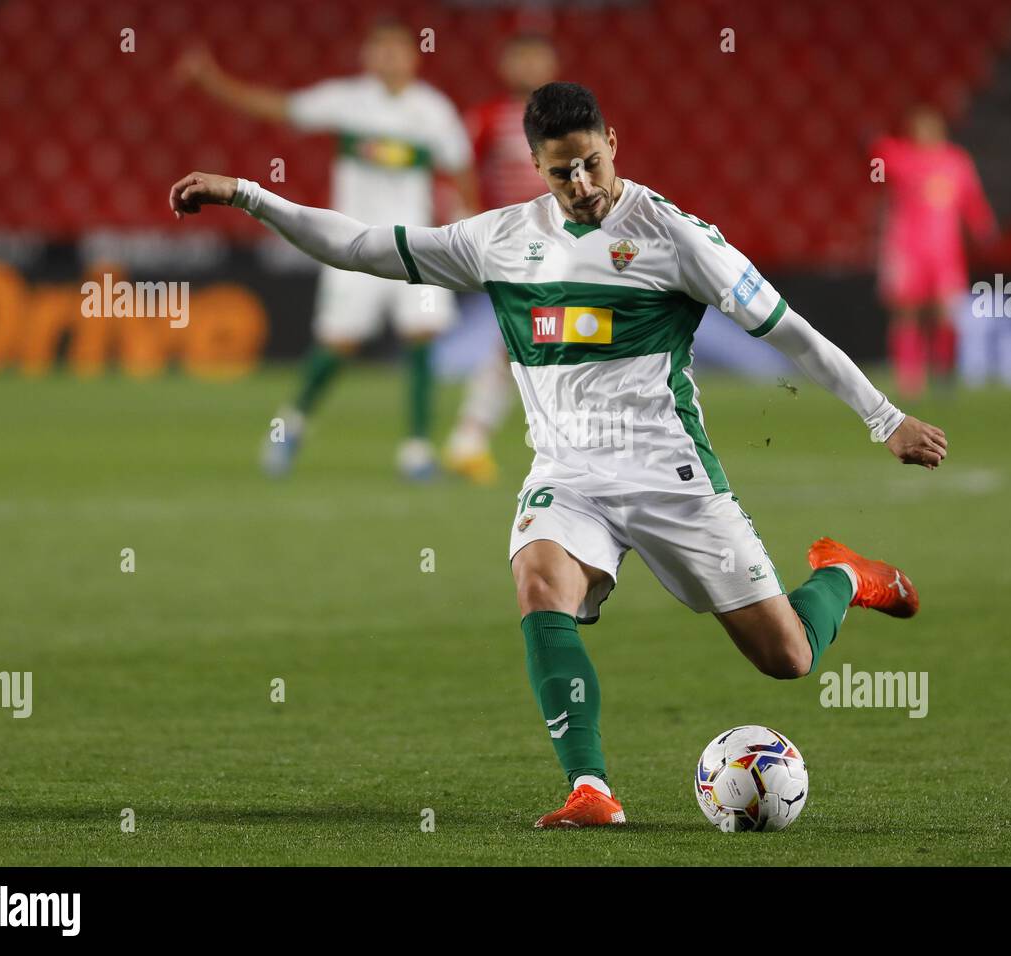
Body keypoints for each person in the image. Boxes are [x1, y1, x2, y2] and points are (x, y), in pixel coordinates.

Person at [168, 82, 948, 828]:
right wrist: (248, 194)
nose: (580, 183)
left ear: (613, 143)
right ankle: (591, 788)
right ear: (536, 167)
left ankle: (844, 574)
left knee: (787, 658)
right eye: (560, 170)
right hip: (568, 477)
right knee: (539, 583)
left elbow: (790, 331)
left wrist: (885, 419)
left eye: (591, 162)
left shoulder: (676, 238)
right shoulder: (500, 240)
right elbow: (363, 245)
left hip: (670, 478)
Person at [176, 18, 477, 479]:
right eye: (381, 50)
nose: (390, 58)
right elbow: (278, 108)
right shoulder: (349, 101)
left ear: (414, 57)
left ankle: (416, 451)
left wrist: (468, 226)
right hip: (352, 244)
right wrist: (211, 79)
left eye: (398, 50)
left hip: (414, 244)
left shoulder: (433, 111)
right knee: (338, 344)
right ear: (368, 58)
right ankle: (290, 425)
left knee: (422, 336)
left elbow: (461, 170)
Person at [442, 33, 559, 485]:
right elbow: (459, 170)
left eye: (539, 57)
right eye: (522, 58)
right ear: (507, 65)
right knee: (529, 337)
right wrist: (466, 222)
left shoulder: (567, 119)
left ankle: (469, 439)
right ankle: (470, 439)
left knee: (529, 340)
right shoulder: (488, 118)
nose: (530, 67)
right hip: (517, 244)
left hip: (565, 244)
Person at [873, 106, 996, 397]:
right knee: (907, 312)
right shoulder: (901, 158)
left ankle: (943, 373)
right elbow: (877, 160)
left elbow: (972, 200)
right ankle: (909, 378)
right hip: (907, 250)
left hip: (945, 253)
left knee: (946, 314)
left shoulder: (956, 162)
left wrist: (983, 226)